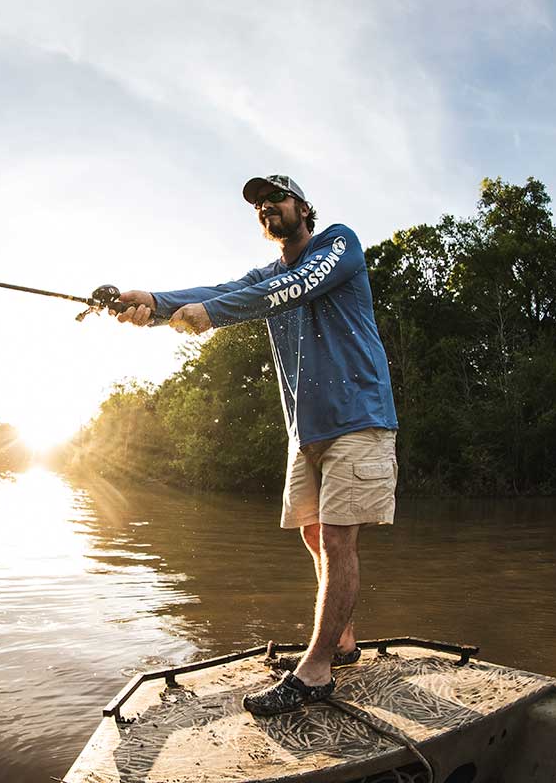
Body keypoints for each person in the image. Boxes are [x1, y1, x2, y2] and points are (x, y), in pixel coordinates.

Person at [114, 174, 398, 716]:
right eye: (260, 204)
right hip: (306, 430)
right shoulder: (264, 274)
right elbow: (214, 295)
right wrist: (150, 303)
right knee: (314, 536)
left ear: (302, 206)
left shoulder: (338, 242)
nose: (268, 207)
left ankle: (314, 673)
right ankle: (341, 643)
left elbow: (286, 289)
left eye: (277, 198)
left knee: (338, 539)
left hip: (358, 418)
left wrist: (215, 315)